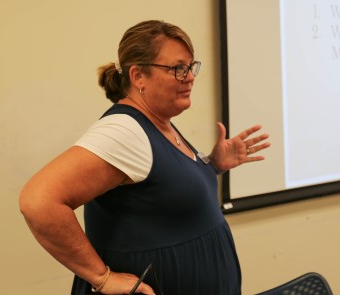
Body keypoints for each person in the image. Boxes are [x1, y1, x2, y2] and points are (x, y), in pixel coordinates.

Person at [19, 20, 270, 295]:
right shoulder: (123, 131)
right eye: (178, 69)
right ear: (138, 76)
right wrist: (102, 278)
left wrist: (214, 164)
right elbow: (38, 201)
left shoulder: (160, 123)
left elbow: (163, 192)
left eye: (190, 66)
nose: (190, 77)